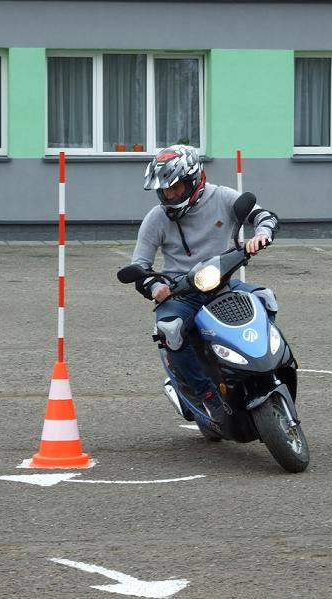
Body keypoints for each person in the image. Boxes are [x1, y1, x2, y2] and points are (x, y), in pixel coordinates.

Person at [130, 144, 279, 425]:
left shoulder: (222, 197)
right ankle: (205, 395)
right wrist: (153, 287)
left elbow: (263, 215)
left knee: (265, 298)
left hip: (221, 283)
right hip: (180, 293)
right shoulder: (156, 219)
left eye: (176, 188)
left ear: (195, 179)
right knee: (170, 329)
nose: (170, 195)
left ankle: (269, 365)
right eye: (164, 190)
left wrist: (261, 234)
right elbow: (140, 266)